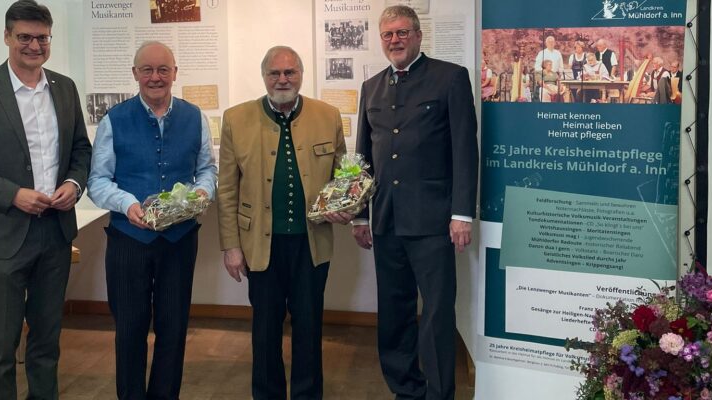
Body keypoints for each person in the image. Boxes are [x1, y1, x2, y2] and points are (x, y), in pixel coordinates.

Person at [0, 1, 92, 398]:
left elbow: (81, 150)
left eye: (42, 38)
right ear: (7, 37)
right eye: (24, 37)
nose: (34, 45)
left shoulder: (64, 87)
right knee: (0, 348)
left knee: (46, 344)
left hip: (55, 235)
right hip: (1, 238)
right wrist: (13, 195)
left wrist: (75, 185)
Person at [352, 5, 478, 400]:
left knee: (437, 314)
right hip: (386, 220)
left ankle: (440, 393)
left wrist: (461, 213)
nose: (395, 40)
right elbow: (363, 157)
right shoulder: (371, 87)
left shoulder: (450, 78)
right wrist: (359, 213)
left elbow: (464, 150)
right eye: (388, 34)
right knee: (393, 312)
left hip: (433, 222)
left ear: (419, 35)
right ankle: (405, 389)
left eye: (402, 32)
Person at [86, 40, 217, 399]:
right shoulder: (114, 120)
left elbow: (206, 169)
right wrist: (128, 205)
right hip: (129, 240)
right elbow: (97, 181)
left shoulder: (195, 117)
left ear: (175, 73)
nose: (155, 77)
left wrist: (204, 192)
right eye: (147, 70)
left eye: (163, 69)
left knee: (174, 330)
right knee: (129, 330)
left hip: (179, 240)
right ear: (135, 74)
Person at [217, 46, 349, 400]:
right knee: (264, 331)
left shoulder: (328, 115)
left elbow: (344, 178)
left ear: (301, 75)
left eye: (290, 72)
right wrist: (231, 246)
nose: (282, 79)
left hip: (311, 243)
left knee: (309, 328)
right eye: (275, 73)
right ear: (264, 77)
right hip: (260, 245)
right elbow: (226, 188)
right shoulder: (235, 119)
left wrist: (347, 206)